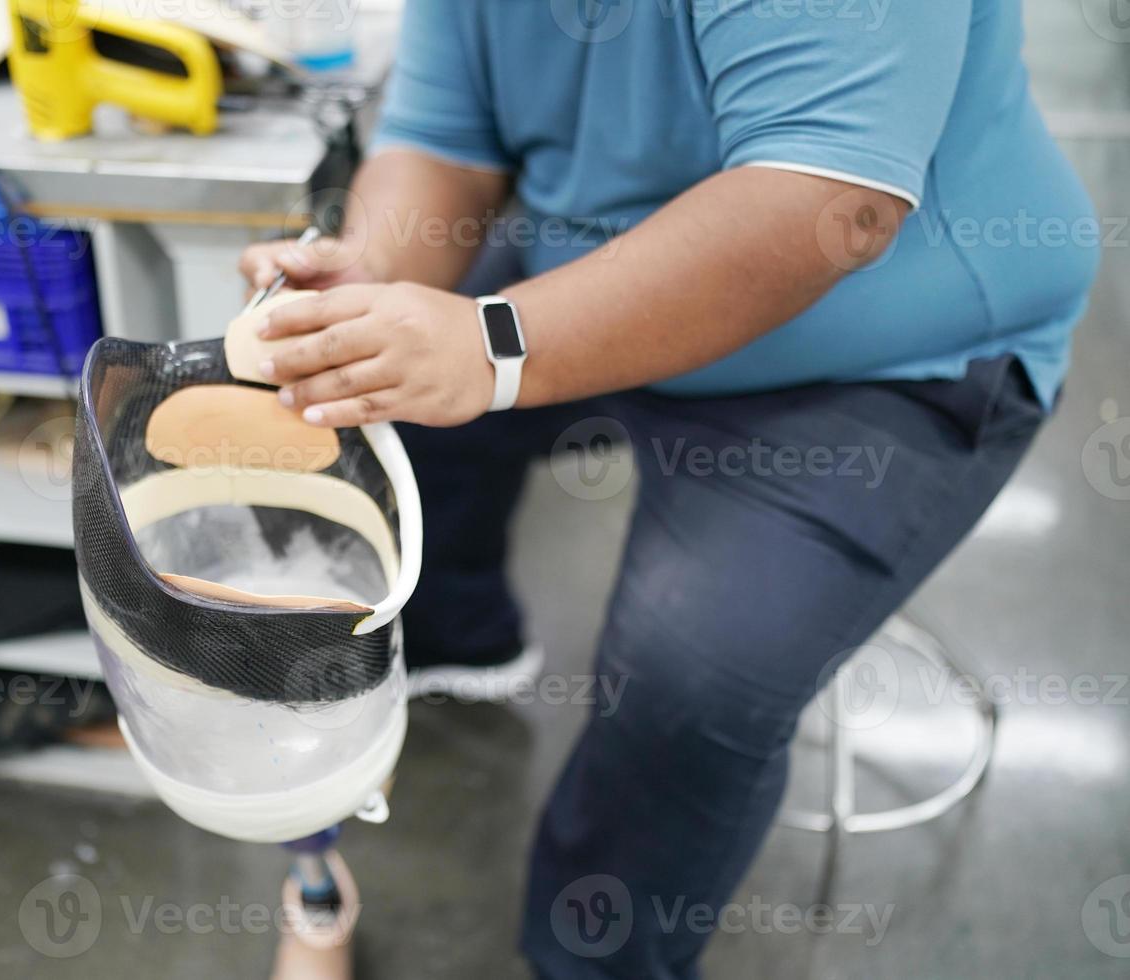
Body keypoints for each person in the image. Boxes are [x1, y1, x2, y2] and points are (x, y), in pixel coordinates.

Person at [238, 1, 1097, 976]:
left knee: (692, 668)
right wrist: (371, 279)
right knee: (361, 430)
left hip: (888, 354)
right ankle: (457, 641)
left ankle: (593, 958)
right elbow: (445, 134)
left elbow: (821, 199)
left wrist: (491, 345)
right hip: (596, 257)